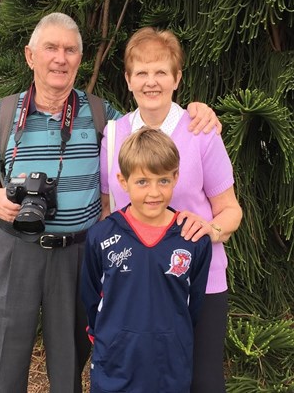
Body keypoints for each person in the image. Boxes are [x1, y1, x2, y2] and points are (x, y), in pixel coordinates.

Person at [0, 12, 223, 393]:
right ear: (30, 56)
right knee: (0, 366)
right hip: (14, 249)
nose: (61, 58)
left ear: (79, 60)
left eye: (70, 50)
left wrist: (198, 109)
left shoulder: (100, 115)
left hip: (76, 253)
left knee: (69, 364)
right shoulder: (4, 113)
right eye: (51, 48)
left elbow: (148, 121)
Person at [100, 27, 243, 392]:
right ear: (128, 80)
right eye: (142, 73)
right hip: (136, 284)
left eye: (161, 72)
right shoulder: (114, 136)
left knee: (203, 381)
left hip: (199, 283)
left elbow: (230, 210)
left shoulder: (201, 130)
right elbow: (108, 213)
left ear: (177, 78)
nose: (152, 82)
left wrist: (210, 229)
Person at [82, 127, 212, 392]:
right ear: (123, 181)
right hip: (115, 363)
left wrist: (174, 338)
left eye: (163, 180)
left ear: (176, 177)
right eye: (142, 181)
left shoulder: (193, 240)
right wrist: (110, 337)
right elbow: (91, 296)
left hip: (170, 364)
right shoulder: (101, 236)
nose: (154, 192)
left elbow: (194, 304)